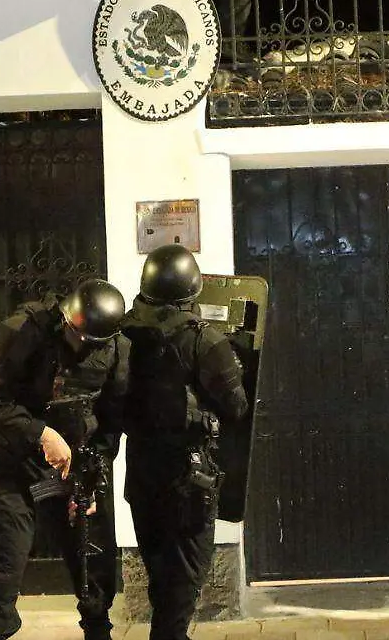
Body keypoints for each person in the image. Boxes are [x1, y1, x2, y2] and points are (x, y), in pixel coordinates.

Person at [0, 279, 129, 640]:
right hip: (13, 462)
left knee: (93, 566)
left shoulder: (118, 349)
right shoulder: (23, 330)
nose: (81, 347)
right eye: (76, 337)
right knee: (3, 565)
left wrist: (90, 483)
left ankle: (97, 631)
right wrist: (41, 433)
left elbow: (110, 424)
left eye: (91, 343)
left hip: (76, 466)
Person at [120, 244, 248, 640]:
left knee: (161, 573)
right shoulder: (204, 340)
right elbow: (237, 406)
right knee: (186, 575)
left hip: (142, 475)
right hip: (188, 480)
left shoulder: (124, 333)